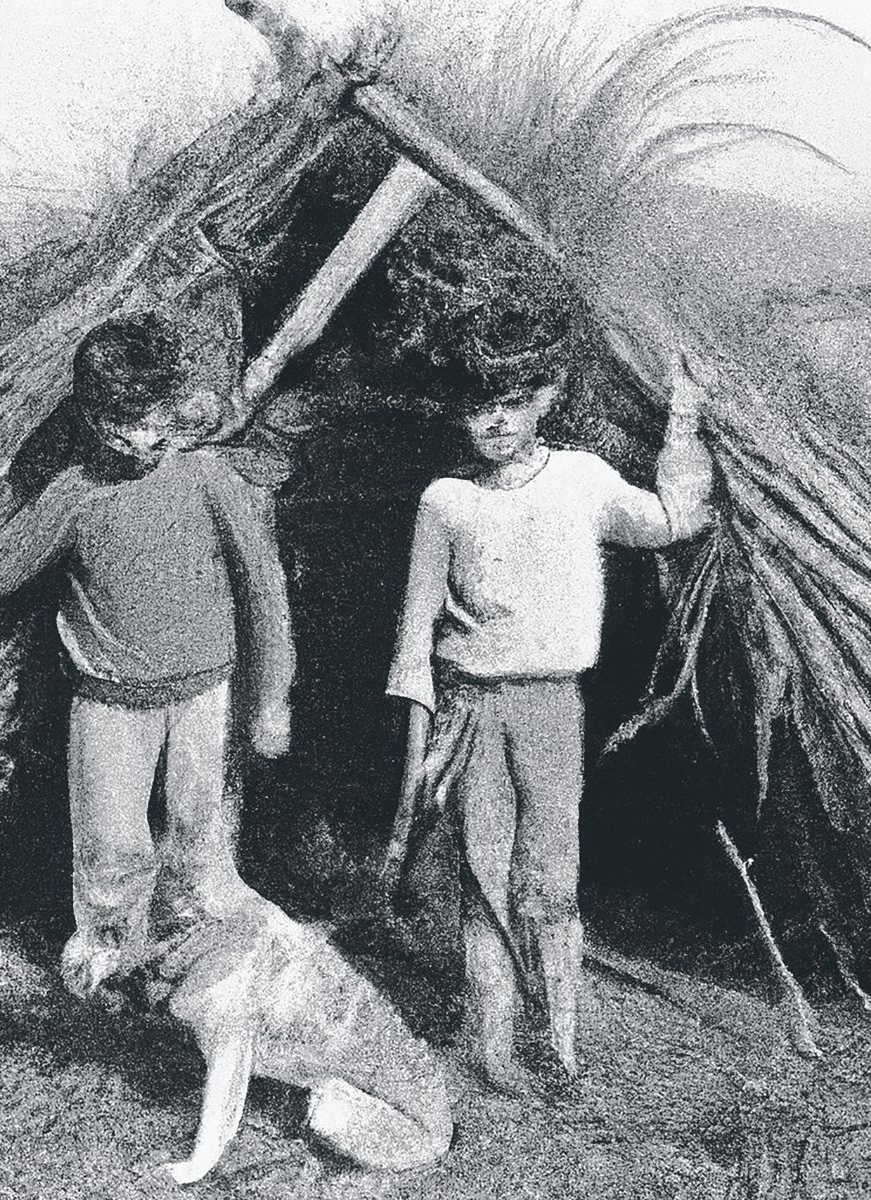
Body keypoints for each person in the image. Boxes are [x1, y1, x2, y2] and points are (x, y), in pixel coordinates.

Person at [0, 312, 295, 1000]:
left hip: (205, 691)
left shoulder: (207, 477)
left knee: (199, 834)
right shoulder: (74, 496)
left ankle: (194, 977)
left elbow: (264, 584)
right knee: (112, 848)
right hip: (109, 700)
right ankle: (111, 974)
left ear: (175, 404)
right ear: (90, 414)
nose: (138, 438)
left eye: (153, 417)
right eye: (118, 422)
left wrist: (271, 702)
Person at [383, 333, 713, 1092]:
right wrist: (419, 742)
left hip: (551, 708)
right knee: (482, 871)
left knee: (551, 876)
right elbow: (413, 635)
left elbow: (671, 520)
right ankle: (491, 1040)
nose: (495, 422)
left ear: (542, 401)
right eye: (478, 407)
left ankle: (561, 1041)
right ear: (457, 415)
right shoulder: (446, 502)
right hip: (470, 708)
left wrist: (684, 427)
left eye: (511, 403)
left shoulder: (581, 481)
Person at [134, 876, 452, 1185]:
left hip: (417, 1127)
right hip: (397, 1070)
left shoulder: (228, 978)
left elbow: (227, 1076)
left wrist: (196, 1165)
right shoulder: (245, 917)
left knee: (329, 1110)